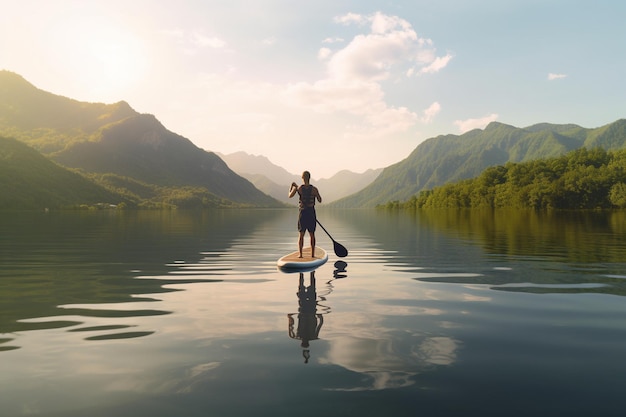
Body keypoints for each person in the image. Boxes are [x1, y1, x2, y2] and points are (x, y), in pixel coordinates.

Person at [289, 171, 322, 258]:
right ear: (309, 178)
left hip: (303, 213)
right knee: (312, 234)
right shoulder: (314, 189)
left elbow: (290, 196)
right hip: (311, 213)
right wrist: (316, 195)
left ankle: (300, 254)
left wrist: (292, 187)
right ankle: (312, 254)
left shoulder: (299, 189)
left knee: (301, 234)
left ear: (302, 178)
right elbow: (320, 200)